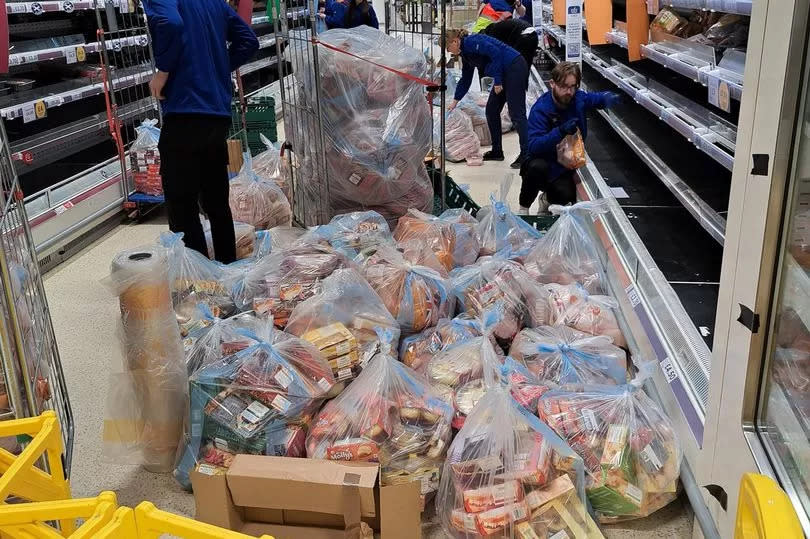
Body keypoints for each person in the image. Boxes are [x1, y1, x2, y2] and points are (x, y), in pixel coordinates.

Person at [144, 0, 258, 264]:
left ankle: (199, 282)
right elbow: (248, 41)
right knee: (216, 201)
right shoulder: (215, 3)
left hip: (184, 110)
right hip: (216, 114)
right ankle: (229, 271)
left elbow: (170, 23)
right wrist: (218, 68)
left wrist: (163, 71)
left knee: (182, 204)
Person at [519, 62, 620, 214]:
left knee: (565, 196)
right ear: (552, 83)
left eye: (573, 86)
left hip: (565, 164)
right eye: (564, 86)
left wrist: (608, 97)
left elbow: (594, 99)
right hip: (543, 160)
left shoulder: (577, 99)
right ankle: (523, 208)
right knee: (536, 167)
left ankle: (546, 199)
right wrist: (559, 132)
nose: (569, 92)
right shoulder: (541, 109)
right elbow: (533, 147)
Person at [444, 29, 528, 169]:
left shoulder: (472, 42)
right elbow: (466, 79)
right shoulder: (465, 54)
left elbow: (495, 53)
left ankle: (526, 154)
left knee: (517, 114)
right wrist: (455, 101)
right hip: (504, 71)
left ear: (455, 41)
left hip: (514, 66)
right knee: (491, 110)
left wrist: (498, 81)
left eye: (448, 48)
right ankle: (497, 151)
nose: (449, 51)